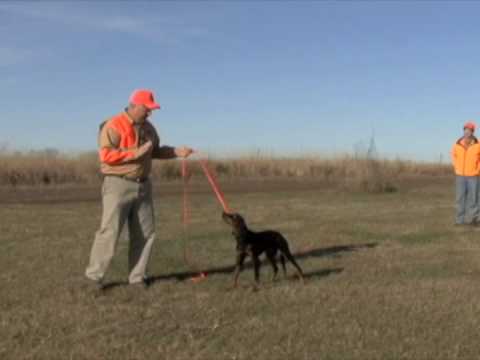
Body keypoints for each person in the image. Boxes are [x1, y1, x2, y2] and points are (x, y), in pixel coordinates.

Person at [85, 89, 193, 291]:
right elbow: (106, 156)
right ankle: (93, 278)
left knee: (145, 233)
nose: (149, 113)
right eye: (147, 109)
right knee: (110, 232)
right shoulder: (113, 125)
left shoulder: (149, 128)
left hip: (143, 185)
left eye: (151, 110)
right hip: (118, 184)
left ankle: (137, 278)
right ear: (134, 106)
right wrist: (136, 153)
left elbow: (156, 151)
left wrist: (177, 151)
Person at [451, 121, 480, 226]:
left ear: (473, 132)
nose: (467, 132)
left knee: (474, 198)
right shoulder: (457, 144)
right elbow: (453, 156)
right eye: (466, 130)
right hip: (460, 176)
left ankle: (474, 219)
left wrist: (477, 170)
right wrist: (456, 167)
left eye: (470, 130)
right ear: (463, 131)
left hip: (473, 176)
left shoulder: (478, 144)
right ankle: (459, 221)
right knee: (460, 198)